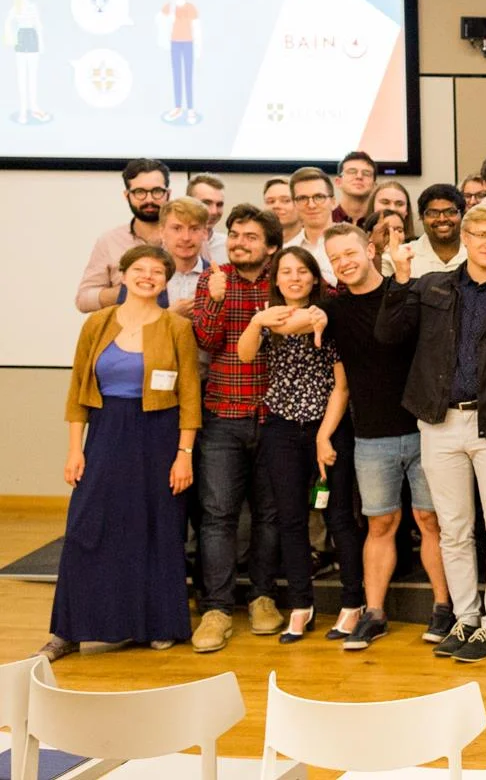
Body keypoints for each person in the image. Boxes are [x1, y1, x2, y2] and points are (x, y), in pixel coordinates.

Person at [378, 200, 486, 663]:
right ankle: (466, 618)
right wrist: (399, 277)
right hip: (440, 423)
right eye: (482, 235)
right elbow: (389, 335)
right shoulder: (432, 286)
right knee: (453, 529)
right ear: (466, 239)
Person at [41, 245, 201, 661]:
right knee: (86, 527)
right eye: (140, 269)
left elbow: (189, 396)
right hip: (106, 432)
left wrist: (184, 453)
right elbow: (78, 391)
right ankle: (69, 631)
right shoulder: (97, 323)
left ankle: (158, 624)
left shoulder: (177, 328)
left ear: (166, 281)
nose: (148, 277)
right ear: (123, 276)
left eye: (157, 272)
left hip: (159, 435)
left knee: (156, 528)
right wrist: (74, 450)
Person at [317, 225, 450, 650]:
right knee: (380, 524)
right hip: (371, 437)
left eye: (350, 253)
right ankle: (373, 613)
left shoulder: (406, 290)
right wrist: (324, 434)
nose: (344, 263)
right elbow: (339, 383)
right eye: (335, 258)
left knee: (431, 522)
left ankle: (443, 607)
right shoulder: (333, 311)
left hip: (425, 430)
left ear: (370, 250)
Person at [236, 247, 352, 643]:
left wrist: (324, 435)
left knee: (339, 517)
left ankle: (352, 602)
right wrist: (257, 320)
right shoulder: (267, 316)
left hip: (328, 426)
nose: (295, 278)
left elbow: (341, 386)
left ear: (315, 277)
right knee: (290, 520)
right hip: (281, 428)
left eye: (302, 271)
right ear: (276, 279)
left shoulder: (328, 314)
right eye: (286, 272)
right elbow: (245, 355)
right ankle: (302, 604)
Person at [191, 204, 286, 652]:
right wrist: (214, 299)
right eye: (234, 234)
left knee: (269, 515)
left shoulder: (284, 279)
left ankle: (262, 598)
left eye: (250, 236)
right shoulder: (214, 279)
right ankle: (217, 609)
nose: (239, 242)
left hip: (275, 418)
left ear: (271, 246)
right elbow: (207, 341)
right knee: (217, 516)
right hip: (223, 417)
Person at [76, 159, 170, 312]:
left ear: (168, 194)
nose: (149, 199)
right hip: (124, 325)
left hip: (178, 325)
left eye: (157, 191)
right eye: (140, 192)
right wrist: (131, 290)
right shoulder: (109, 241)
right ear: (127, 196)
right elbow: (84, 300)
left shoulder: (188, 238)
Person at [387, 183, 467, 278]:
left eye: (450, 212)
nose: (442, 219)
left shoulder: (478, 252)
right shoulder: (400, 256)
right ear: (422, 217)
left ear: (462, 215)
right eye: (433, 213)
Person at [283, 168, 340, 283]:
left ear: (333, 202)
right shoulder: (286, 251)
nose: (311, 205)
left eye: (319, 197)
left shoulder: (353, 245)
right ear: (294, 205)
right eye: (302, 198)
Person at [337, 152, 377, 225]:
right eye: (352, 171)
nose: (359, 176)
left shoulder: (380, 222)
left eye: (366, 173)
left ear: (374, 186)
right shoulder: (326, 217)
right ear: (338, 182)